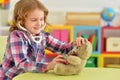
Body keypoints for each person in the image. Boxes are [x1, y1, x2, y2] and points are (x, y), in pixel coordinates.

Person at [0, 0, 88, 80]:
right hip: (11, 77)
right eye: (34, 20)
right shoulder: (16, 36)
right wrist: (48, 66)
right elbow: (22, 63)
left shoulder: (43, 36)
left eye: (41, 19)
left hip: (32, 76)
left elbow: (63, 48)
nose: (39, 23)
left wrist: (76, 44)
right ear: (21, 21)